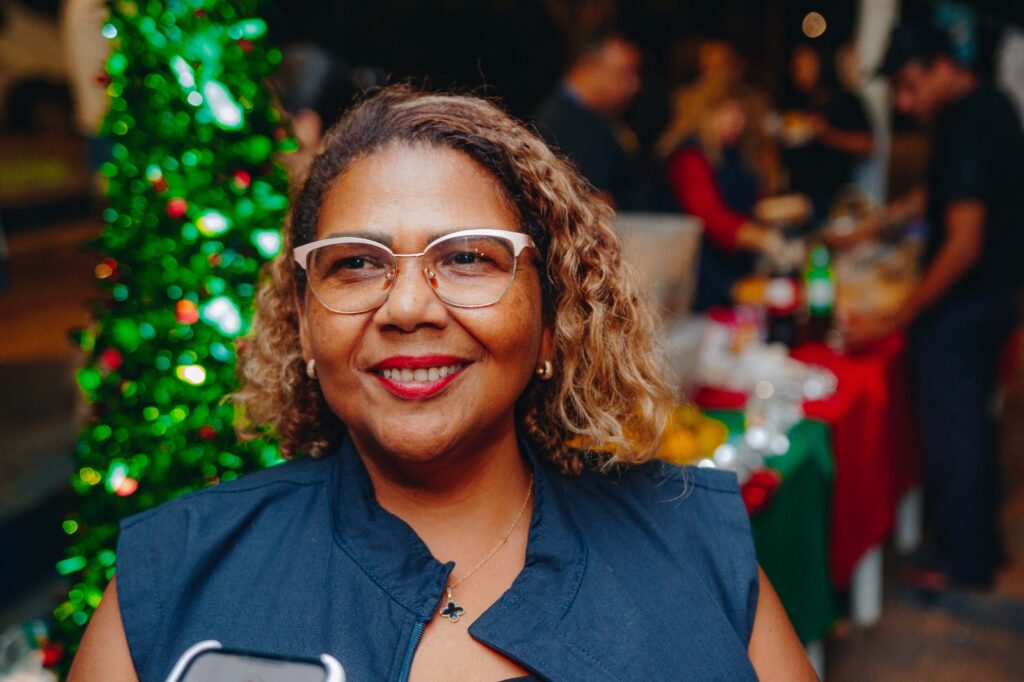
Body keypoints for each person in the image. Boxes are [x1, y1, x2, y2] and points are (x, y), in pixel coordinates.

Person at [68, 85, 814, 681]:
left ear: (551, 317)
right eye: (356, 263)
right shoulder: (175, 577)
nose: (407, 308)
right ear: (303, 322)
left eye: (466, 258)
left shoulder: (693, 548)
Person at [848, 23, 1024, 589]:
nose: (904, 102)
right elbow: (945, 195)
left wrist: (900, 315)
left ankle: (965, 562)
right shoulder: (984, 106)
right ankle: (977, 547)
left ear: (942, 66)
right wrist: (879, 225)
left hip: (968, 304)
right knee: (970, 423)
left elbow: (963, 241)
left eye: (909, 85)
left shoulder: (973, 123)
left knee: (957, 431)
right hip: (994, 297)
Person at [658, 77, 786, 310]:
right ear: (704, 113)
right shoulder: (689, 155)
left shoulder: (734, 152)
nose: (737, 121)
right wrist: (764, 239)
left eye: (741, 113)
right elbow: (709, 216)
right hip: (700, 273)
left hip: (734, 263)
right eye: (726, 112)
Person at [535, 28, 641, 207]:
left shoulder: (599, 118)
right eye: (623, 73)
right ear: (589, 68)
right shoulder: (562, 125)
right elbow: (596, 203)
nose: (634, 85)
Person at [782, 42, 873, 224]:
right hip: (799, 200)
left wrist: (826, 134)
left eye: (804, 66)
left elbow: (868, 145)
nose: (799, 74)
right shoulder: (797, 102)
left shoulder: (846, 101)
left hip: (836, 201)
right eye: (795, 68)